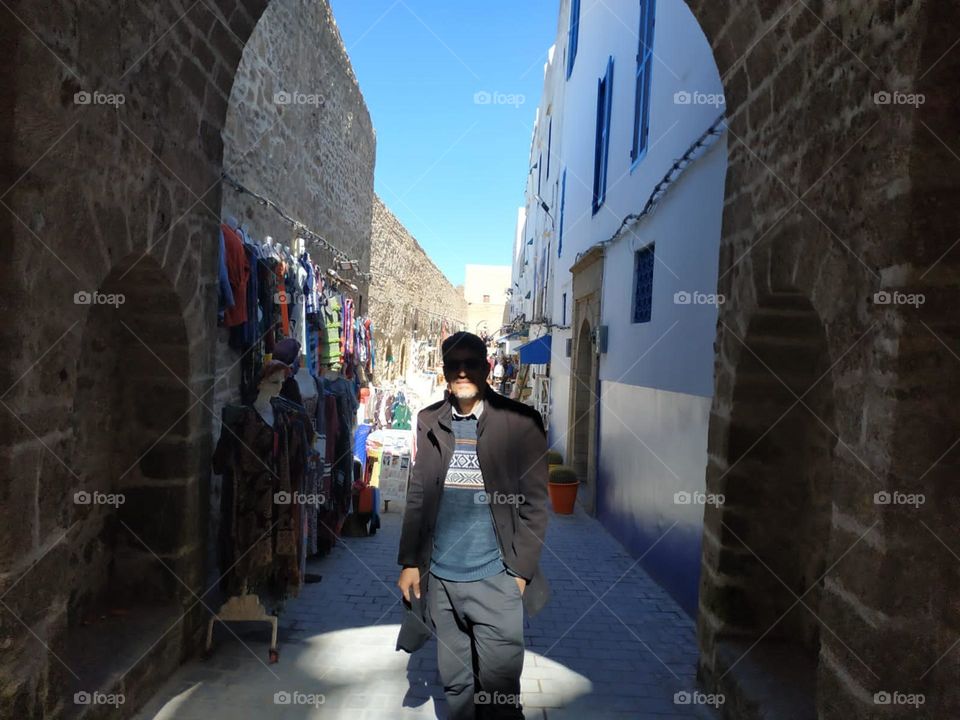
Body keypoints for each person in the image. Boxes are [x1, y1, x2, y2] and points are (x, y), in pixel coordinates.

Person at [396, 331, 550, 720]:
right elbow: (418, 494)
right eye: (453, 364)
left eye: (471, 363)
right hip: (442, 584)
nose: (462, 371)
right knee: (457, 687)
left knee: (499, 695)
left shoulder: (521, 423)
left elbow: (535, 505)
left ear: (487, 368)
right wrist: (410, 562)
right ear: (444, 370)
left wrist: (518, 574)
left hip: (496, 581)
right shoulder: (429, 421)